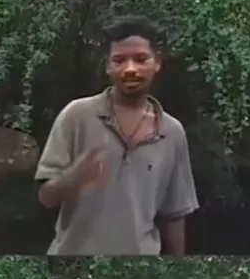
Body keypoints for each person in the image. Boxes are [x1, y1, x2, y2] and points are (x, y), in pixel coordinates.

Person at [35, 16, 198, 255]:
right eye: (119, 60)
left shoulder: (171, 132)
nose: (130, 69)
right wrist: (76, 174)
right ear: (108, 66)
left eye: (141, 59)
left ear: (157, 62)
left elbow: (174, 215)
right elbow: (46, 198)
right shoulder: (77, 116)